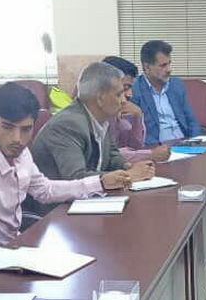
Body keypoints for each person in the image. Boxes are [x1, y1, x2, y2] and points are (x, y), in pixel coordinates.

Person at [0, 82, 109, 262]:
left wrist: (99, 183)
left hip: (14, 249)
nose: (17, 139)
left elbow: (45, 190)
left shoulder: (21, 153)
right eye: (7, 127)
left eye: (26, 129)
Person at [131, 40, 206, 254]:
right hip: (158, 149)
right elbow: (137, 131)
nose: (169, 69)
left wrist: (196, 141)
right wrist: (156, 150)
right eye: (163, 65)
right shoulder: (135, 90)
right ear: (146, 67)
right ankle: (177, 237)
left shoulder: (175, 85)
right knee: (176, 183)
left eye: (169, 63)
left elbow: (190, 118)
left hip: (184, 144)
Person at [29, 62, 154, 216]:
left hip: (88, 204)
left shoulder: (101, 118)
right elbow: (76, 178)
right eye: (118, 94)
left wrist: (128, 167)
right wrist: (129, 176)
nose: (124, 100)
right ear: (100, 99)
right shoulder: (69, 124)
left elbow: (112, 156)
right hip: (55, 213)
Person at [101, 55, 171, 164]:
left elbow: (134, 147)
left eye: (130, 88)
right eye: (125, 88)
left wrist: (138, 117)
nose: (130, 94)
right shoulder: (94, 113)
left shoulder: (117, 109)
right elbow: (107, 155)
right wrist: (151, 154)